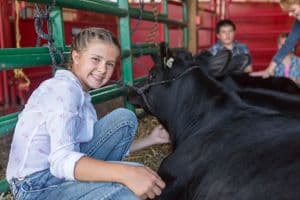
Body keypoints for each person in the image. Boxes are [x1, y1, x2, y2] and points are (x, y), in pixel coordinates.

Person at [6, 27, 170, 200]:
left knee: (125, 119)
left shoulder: (81, 94)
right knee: (129, 191)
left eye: (109, 64)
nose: (102, 69)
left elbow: (80, 147)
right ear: (76, 56)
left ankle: (103, 187)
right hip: (35, 186)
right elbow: (62, 161)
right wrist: (125, 173)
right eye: (96, 59)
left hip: (58, 172)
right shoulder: (64, 91)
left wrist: (151, 140)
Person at [266, 0, 300, 71]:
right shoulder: (298, 23)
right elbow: (288, 44)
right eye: (289, 11)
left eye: (293, 10)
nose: (290, 14)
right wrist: (270, 69)